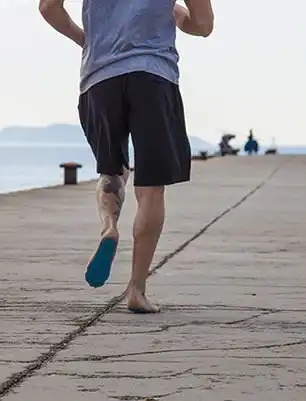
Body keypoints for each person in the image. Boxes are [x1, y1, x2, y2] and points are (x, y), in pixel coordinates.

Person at [38, 0, 214, 313]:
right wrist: (177, 14)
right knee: (151, 188)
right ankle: (137, 290)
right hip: (153, 76)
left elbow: (49, 7)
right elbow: (203, 25)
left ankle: (109, 227)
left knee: (112, 170)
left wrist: (87, 39)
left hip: (100, 77)